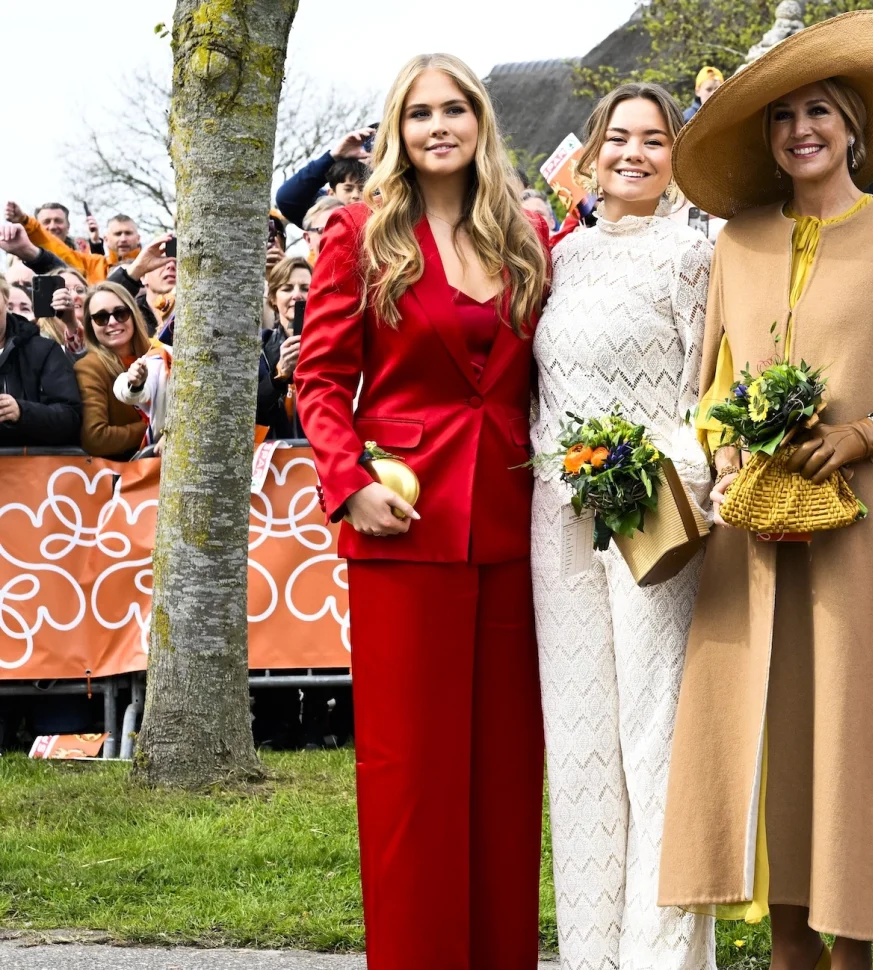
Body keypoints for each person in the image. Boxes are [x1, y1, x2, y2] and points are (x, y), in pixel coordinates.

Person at [664, 12, 873, 970]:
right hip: (755, 543)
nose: (799, 129)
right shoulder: (738, 242)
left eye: (818, 111)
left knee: (848, 730)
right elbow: (715, 382)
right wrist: (731, 453)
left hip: (861, 539)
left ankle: (853, 954)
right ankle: (787, 949)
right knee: (774, 733)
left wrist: (865, 432)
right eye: (783, 116)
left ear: (852, 127)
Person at [294, 52, 553, 970]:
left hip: (516, 527)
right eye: (419, 113)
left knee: (506, 774)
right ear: (397, 133)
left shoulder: (525, 233)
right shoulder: (359, 233)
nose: (439, 126)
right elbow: (319, 380)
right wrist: (347, 484)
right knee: (410, 776)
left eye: (454, 110)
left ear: (481, 122)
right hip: (400, 526)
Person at [527, 81, 715, 970]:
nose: (633, 154)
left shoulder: (694, 257)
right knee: (580, 742)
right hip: (558, 516)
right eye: (618, 138)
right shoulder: (559, 259)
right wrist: (567, 471)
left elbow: (704, 393)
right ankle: (590, 951)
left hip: (653, 513)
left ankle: (660, 954)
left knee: (655, 738)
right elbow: (539, 392)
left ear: (677, 156)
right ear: (592, 153)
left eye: (654, 139)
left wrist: (643, 470)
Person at [73, 282, 158, 458]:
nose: (112, 322)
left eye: (121, 313)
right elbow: (96, 438)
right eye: (101, 317)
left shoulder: (159, 353)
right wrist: (157, 428)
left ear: (133, 315)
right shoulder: (89, 368)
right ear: (91, 325)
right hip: (129, 470)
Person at [0, 289, 82, 448]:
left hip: (32, 460)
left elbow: (70, 418)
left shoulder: (44, 350)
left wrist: (21, 411)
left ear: (5, 299)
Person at [275, 128, 375, 225]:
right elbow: (287, 199)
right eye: (348, 189)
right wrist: (332, 157)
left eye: (362, 188)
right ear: (332, 193)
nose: (355, 195)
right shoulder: (328, 210)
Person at [262, 256, 311, 439]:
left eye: (305, 288)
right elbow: (251, 409)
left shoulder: (332, 347)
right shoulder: (261, 347)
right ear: (273, 298)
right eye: (287, 288)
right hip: (274, 453)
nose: (297, 295)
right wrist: (279, 375)